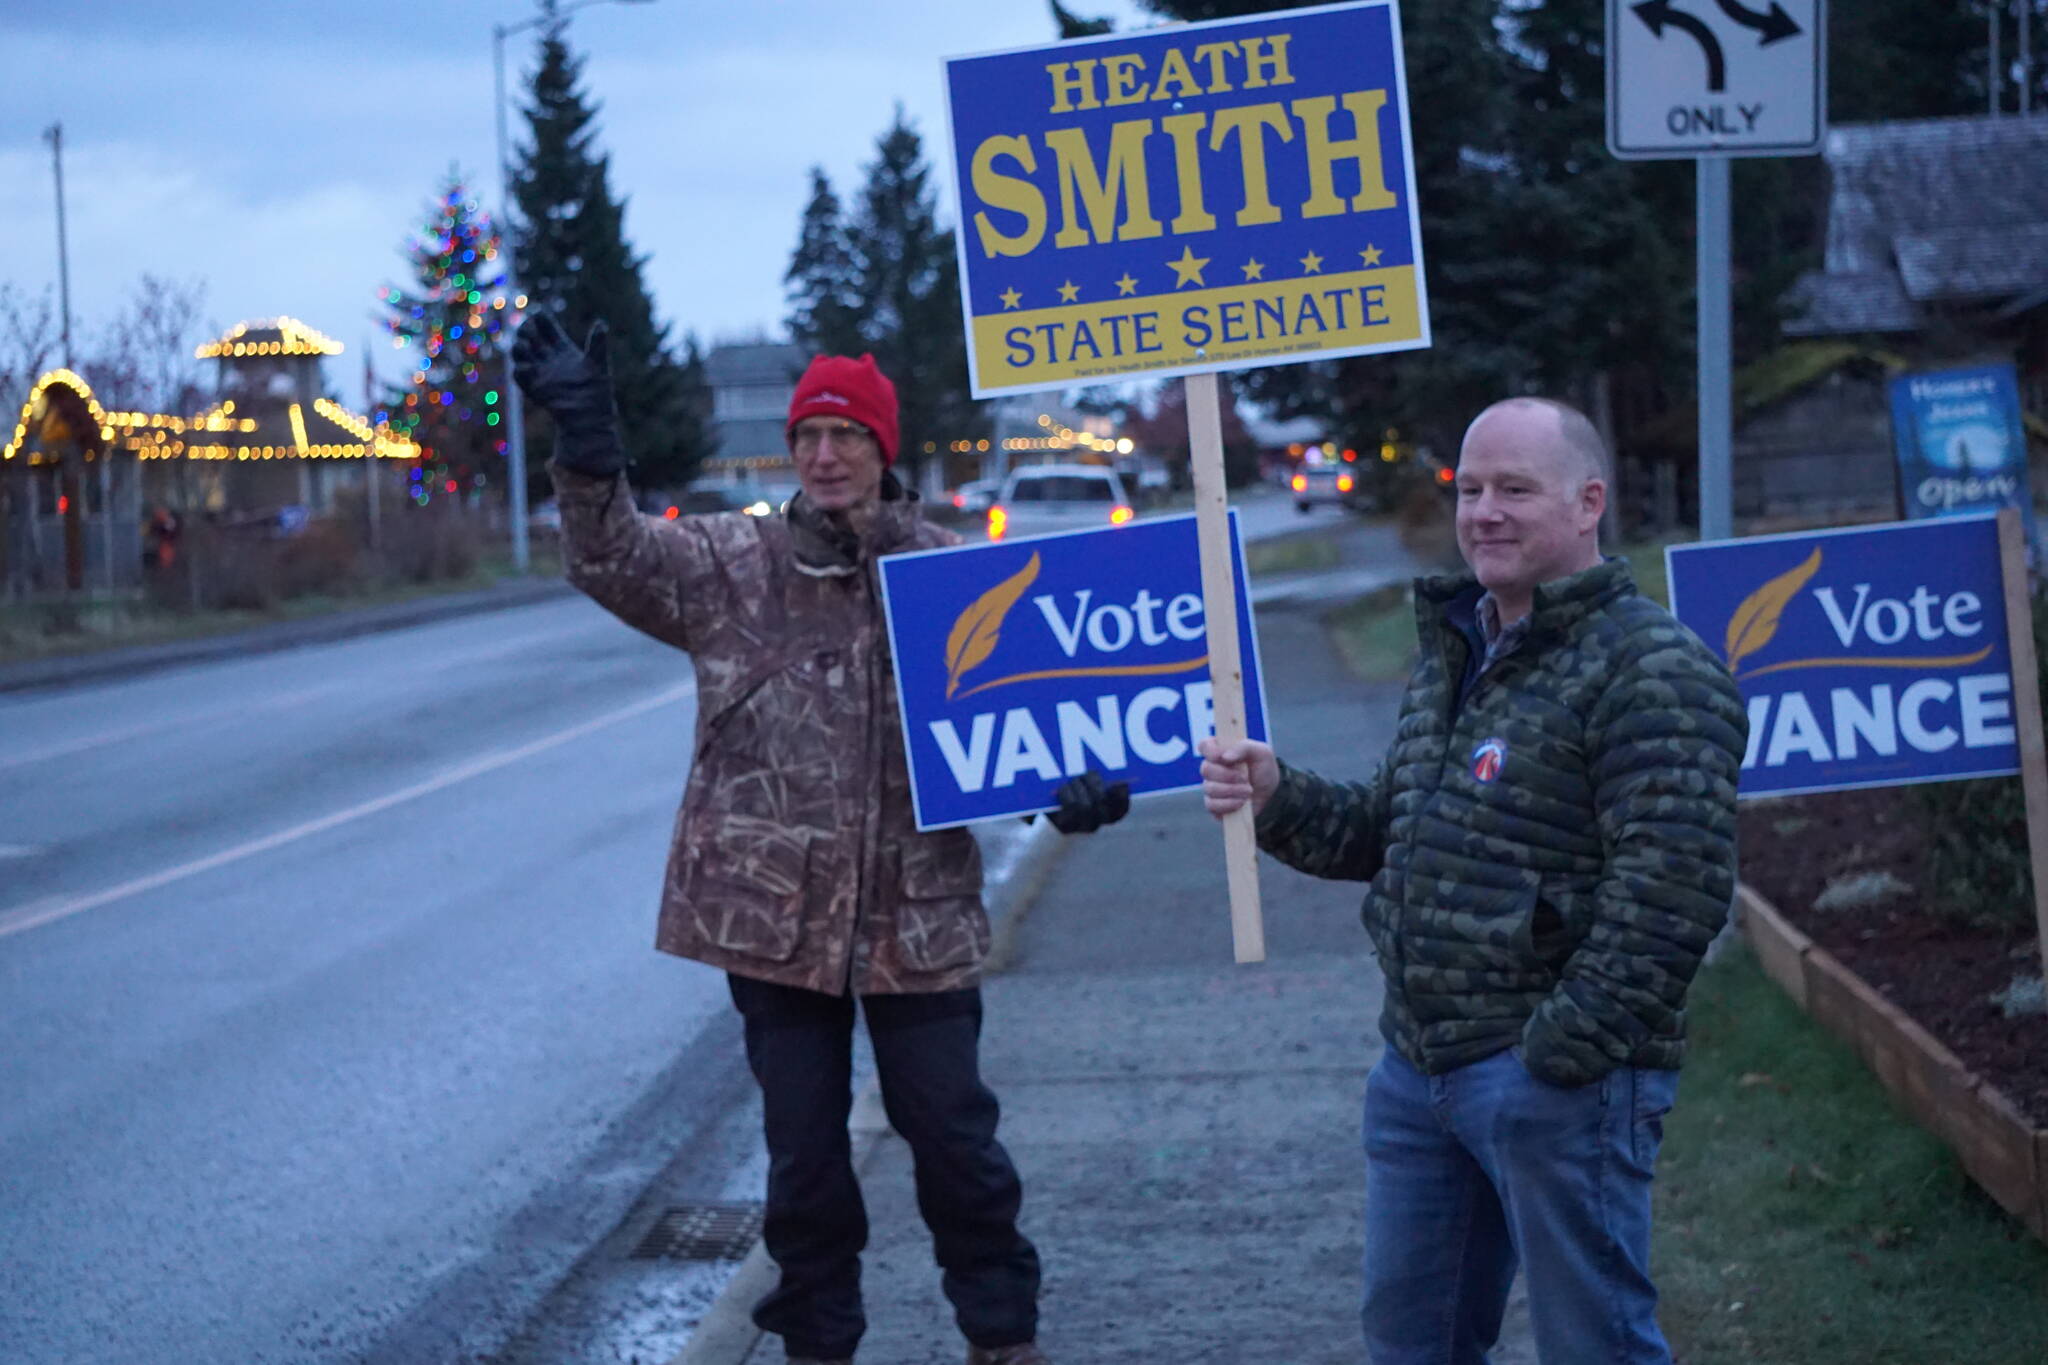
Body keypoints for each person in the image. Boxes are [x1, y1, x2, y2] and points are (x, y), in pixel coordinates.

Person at [512, 315, 1124, 1365]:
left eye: (847, 435)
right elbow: (608, 554)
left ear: (884, 453)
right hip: (770, 917)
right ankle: (818, 1344)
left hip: (917, 918)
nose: (825, 454)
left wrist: (1069, 791)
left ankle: (1001, 1336)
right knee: (803, 1165)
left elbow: (1028, 731)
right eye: (808, 436)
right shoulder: (727, 567)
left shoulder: (953, 578)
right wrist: (585, 439)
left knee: (956, 1146)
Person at [1198, 397, 1746, 1365]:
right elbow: (1389, 829)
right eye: (1470, 487)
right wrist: (1275, 795)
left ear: (1586, 503)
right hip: (1415, 1075)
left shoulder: (1649, 668)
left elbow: (1670, 895)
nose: (1483, 510)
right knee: (1411, 1344)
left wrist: (1553, 1061)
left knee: (1595, 1347)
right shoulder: (1458, 645)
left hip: (1551, 1086)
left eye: (1514, 489)